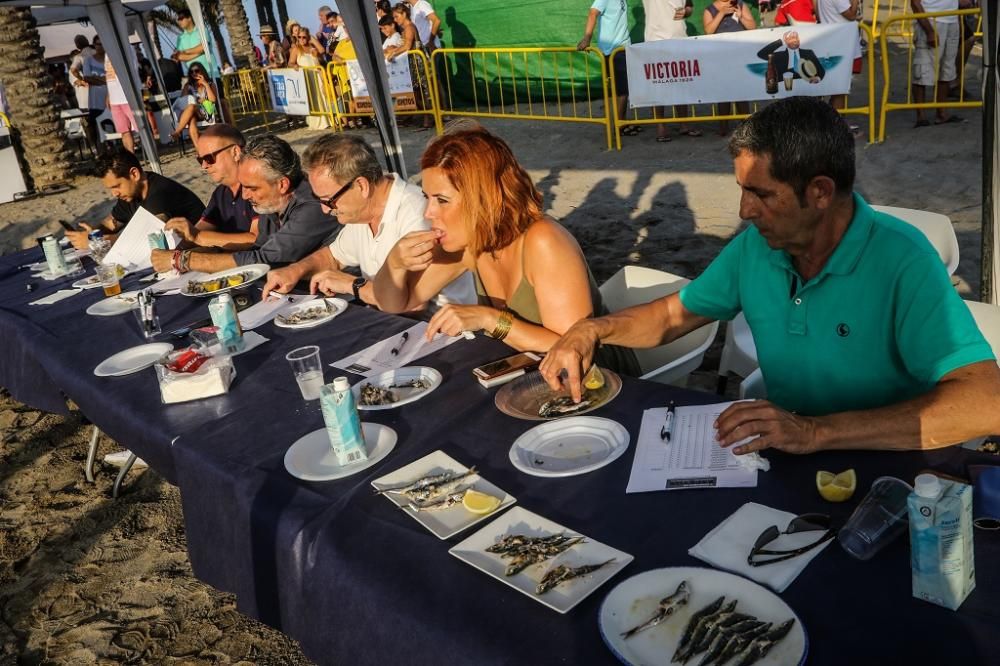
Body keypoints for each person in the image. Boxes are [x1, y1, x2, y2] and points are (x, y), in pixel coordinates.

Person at [539, 97, 1000, 455]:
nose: (743, 210)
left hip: (883, 467)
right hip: (782, 454)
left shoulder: (903, 259)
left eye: (761, 194)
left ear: (820, 192)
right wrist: (592, 329)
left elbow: (985, 401)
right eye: (742, 190)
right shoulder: (756, 247)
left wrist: (816, 432)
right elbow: (672, 315)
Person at [372, 127, 640, 374]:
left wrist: (488, 319)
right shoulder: (470, 246)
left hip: (600, 381)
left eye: (442, 200)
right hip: (532, 375)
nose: (429, 212)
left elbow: (570, 347)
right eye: (426, 197)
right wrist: (394, 264)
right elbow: (397, 302)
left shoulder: (543, 241)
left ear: (483, 198)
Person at [262, 134, 475, 309]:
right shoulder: (362, 214)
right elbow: (333, 256)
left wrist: (352, 285)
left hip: (439, 334)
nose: (325, 209)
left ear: (361, 186)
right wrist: (295, 271)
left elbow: (410, 304)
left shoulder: (417, 213)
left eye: (329, 200)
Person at [150, 135, 335, 273]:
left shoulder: (312, 205)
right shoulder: (272, 204)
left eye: (252, 188)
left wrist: (183, 260)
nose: (245, 196)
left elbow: (264, 259)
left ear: (282, 184)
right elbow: (257, 248)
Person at [65, 149, 204, 250]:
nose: (114, 194)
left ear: (134, 174)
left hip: (205, 248)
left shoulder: (160, 193)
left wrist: (95, 242)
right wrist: (92, 233)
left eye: (116, 186)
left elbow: (150, 240)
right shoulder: (131, 193)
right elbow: (111, 224)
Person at [163, 124, 259, 251]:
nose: (204, 165)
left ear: (235, 152)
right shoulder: (221, 193)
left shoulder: (257, 186)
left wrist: (197, 237)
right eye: (200, 159)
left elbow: (256, 240)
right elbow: (198, 231)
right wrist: (182, 236)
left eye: (209, 158)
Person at [642, 0, 699, 143]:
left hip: (679, 38)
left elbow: (690, 6)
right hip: (655, 40)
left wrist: (686, 11)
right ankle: (661, 127)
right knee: (658, 84)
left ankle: (683, 124)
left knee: (681, 82)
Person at [578, 1, 635, 137]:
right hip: (614, 50)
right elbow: (593, 12)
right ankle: (618, 126)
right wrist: (587, 37)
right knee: (623, 91)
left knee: (620, 90)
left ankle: (621, 123)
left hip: (621, 48)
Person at [705, 0, 757, 135]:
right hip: (720, 57)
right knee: (723, 92)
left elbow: (752, 27)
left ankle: (746, 126)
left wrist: (741, 16)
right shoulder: (709, 10)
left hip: (739, 55)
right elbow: (708, 31)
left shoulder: (740, 4)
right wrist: (721, 13)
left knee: (741, 92)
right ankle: (723, 126)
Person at [910, 0, 963, 126]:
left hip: (952, 20)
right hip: (932, 20)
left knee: (947, 69)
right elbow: (915, 3)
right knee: (922, 70)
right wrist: (929, 30)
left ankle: (942, 113)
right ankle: (921, 116)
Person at [816, 0, 861, 118]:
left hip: (833, 43)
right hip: (843, 46)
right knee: (840, 91)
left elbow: (818, 14)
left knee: (836, 90)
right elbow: (851, 15)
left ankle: (832, 124)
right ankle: (837, 127)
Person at [168, 63, 218, 146]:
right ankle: (199, 151)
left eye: (197, 71)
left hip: (207, 112)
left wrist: (205, 84)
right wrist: (191, 94)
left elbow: (213, 100)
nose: (194, 73)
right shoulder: (188, 86)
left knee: (191, 106)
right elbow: (183, 102)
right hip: (191, 113)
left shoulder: (210, 84)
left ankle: (177, 132)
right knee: (191, 120)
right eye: (192, 72)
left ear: (202, 71)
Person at [756, 31, 825, 86]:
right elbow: (761, 54)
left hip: (806, 84)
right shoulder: (779, 56)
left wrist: (817, 78)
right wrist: (781, 41)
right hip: (785, 87)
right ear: (786, 41)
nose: (795, 40)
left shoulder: (808, 53)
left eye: (797, 38)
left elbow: (821, 71)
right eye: (792, 38)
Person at [103, 55, 138, 154]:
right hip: (115, 100)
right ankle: (130, 157)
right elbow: (109, 78)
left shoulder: (124, 47)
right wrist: (109, 95)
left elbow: (134, 70)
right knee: (124, 132)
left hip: (128, 97)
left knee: (141, 128)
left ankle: (152, 154)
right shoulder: (107, 55)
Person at [171, 8, 218, 79]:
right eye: (178, 19)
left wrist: (185, 51)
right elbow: (179, 56)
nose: (179, 21)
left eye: (181, 18)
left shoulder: (202, 30)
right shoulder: (180, 37)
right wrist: (198, 53)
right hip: (194, 77)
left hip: (211, 73)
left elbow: (203, 47)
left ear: (189, 18)